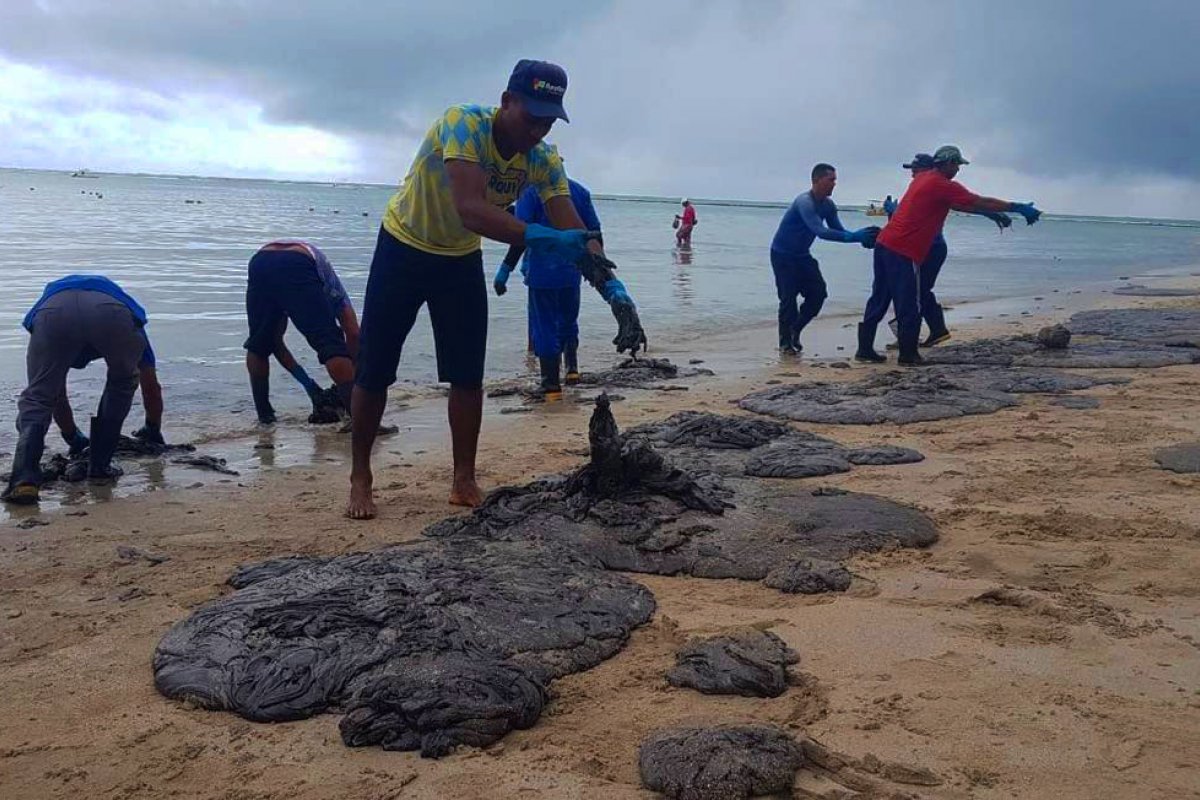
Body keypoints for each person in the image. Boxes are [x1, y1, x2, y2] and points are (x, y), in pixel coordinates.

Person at [348, 59, 604, 520]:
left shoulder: (542, 158)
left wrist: (612, 284)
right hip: (403, 247)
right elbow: (470, 208)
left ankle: (463, 478)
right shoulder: (462, 124)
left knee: (467, 375)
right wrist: (540, 237)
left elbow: (575, 228)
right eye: (531, 117)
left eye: (548, 121)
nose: (537, 130)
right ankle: (360, 476)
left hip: (458, 259)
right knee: (375, 368)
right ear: (507, 102)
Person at [856, 145, 1041, 366]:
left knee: (880, 297)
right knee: (910, 303)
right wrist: (1016, 206)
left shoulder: (923, 179)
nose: (958, 170)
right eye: (957, 165)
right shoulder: (941, 184)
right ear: (949, 163)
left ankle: (865, 350)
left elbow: (959, 205)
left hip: (884, 245)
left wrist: (993, 214)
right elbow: (978, 200)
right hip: (903, 251)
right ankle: (909, 355)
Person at [4, 275, 164, 504]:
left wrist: (72, 437)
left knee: (39, 397)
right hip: (112, 314)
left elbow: (55, 393)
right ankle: (100, 467)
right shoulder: (124, 309)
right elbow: (150, 385)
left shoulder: (52, 297)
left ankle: (24, 481)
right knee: (121, 383)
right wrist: (152, 428)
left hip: (53, 312)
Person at [884, 154, 1013, 348]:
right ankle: (928, 332)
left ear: (927, 169)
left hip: (930, 248)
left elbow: (964, 204)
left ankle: (924, 333)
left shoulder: (932, 187)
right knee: (916, 291)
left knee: (913, 291)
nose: (912, 173)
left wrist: (993, 213)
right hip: (928, 248)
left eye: (915, 169)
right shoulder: (923, 187)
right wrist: (993, 215)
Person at [495, 177, 603, 398]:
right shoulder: (580, 191)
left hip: (542, 271)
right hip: (573, 268)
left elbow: (520, 234)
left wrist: (506, 268)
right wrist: (596, 268)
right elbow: (594, 232)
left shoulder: (530, 192)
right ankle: (572, 371)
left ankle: (551, 385)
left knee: (544, 325)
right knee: (569, 320)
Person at [243, 239, 359, 424]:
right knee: (330, 343)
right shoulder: (333, 290)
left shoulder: (283, 299)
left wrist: (309, 387)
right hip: (297, 260)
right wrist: (357, 378)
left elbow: (275, 344)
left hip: (260, 260)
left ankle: (265, 419)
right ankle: (362, 421)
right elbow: (353, 333)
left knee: (259, 345)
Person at [769, 163, 879, 354]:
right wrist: (853, 237)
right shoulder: (805, 202)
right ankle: (785, 343)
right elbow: (819, 231)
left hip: (802, 256)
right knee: (788, 299)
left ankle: (795, 330)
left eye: (835, 180)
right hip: (783, 255)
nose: (834, 184)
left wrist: (860, 237)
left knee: (818, 294)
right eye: (831, 180)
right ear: (817, 180)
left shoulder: (828, 205)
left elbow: (838, 230)